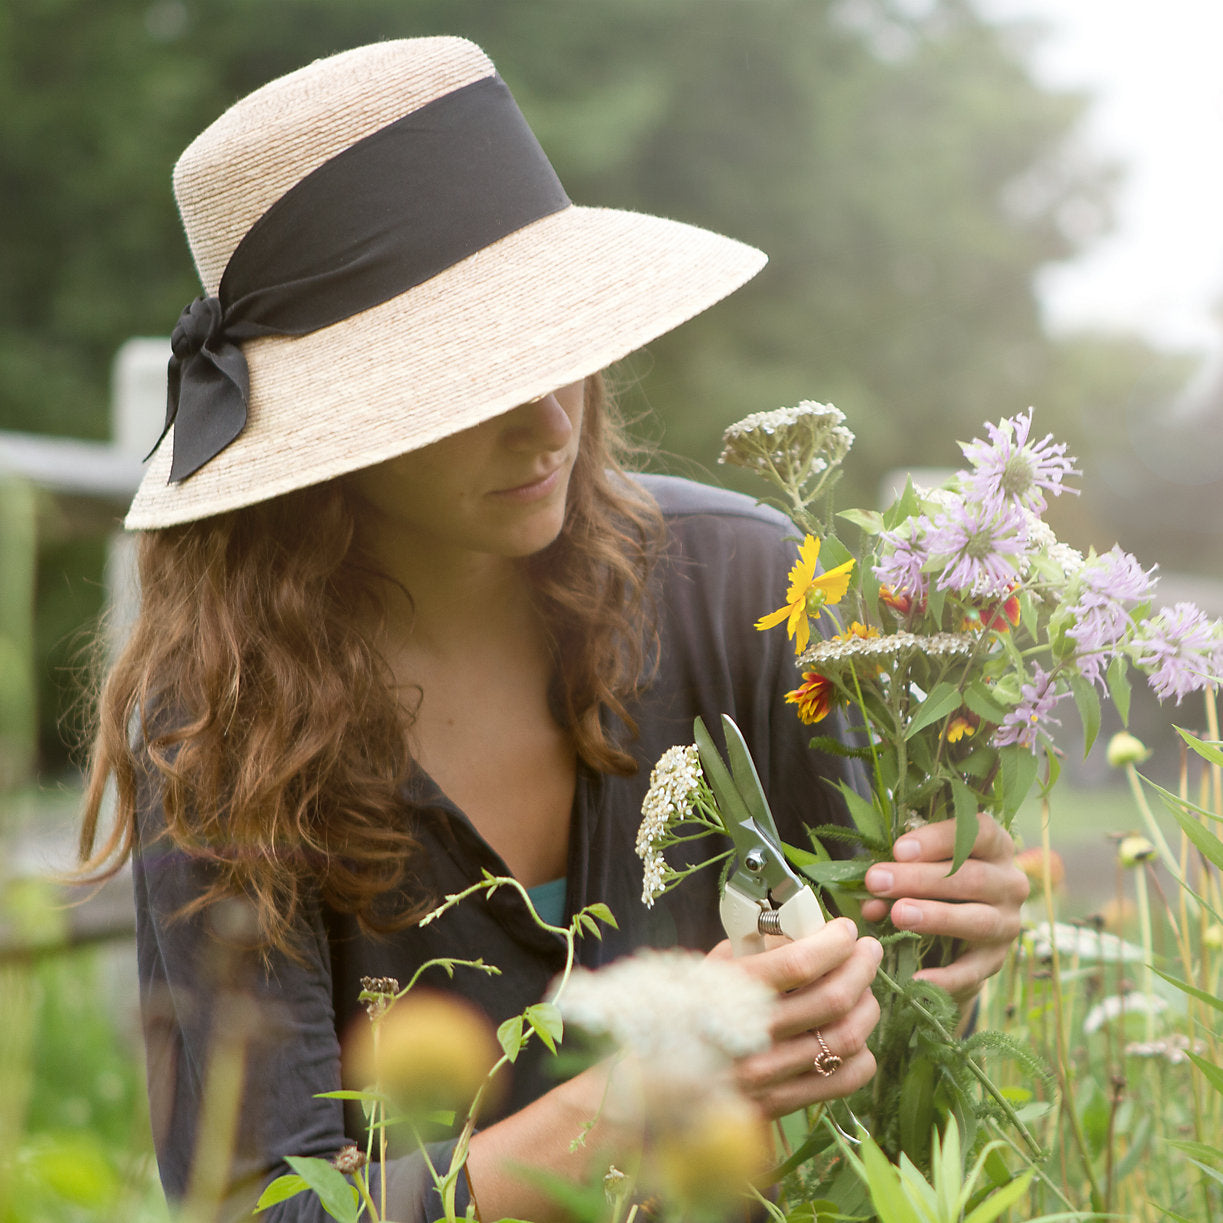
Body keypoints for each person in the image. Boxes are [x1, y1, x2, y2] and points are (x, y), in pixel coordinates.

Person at [78, 37, 1029, 1223]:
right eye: (471, 379)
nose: (546, 419)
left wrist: (950, 935)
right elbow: (259, 1207)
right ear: (322, 426)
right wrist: (636, 1103)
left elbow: (890, 1072)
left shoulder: (745, 586)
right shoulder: (217, 721)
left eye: (558, 346)